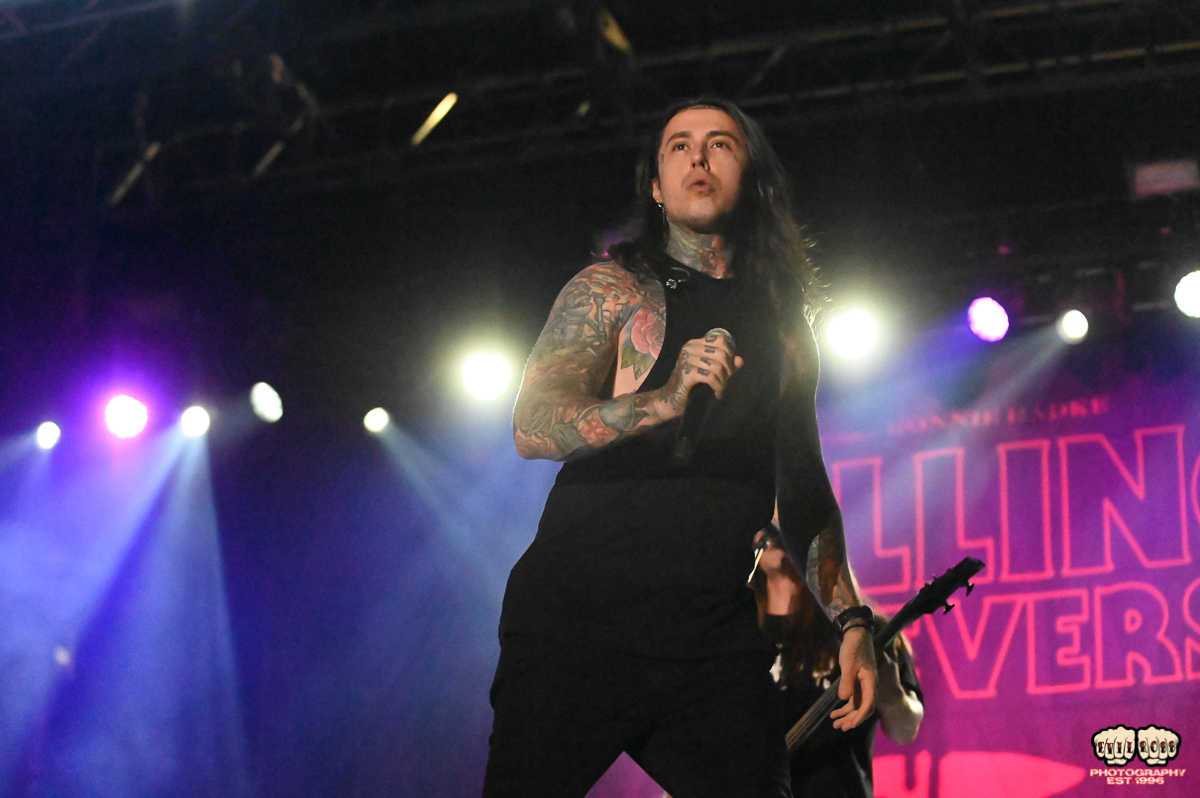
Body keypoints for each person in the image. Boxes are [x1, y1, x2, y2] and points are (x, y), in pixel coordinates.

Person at [482, 97, 877, 798]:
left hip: (710, 639)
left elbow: (803, 486)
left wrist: (850, 619)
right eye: (679, 145)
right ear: (657, 187)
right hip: (575, 627)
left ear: (751, 177)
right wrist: (665, 400)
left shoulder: (786, 323)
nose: (698, 156)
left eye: (720, 143)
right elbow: (532, 424)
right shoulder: (612, 288)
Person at [750, 523, 924, 797]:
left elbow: (905, 731)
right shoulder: (731, 634)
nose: (772, 529)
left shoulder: (864, 635)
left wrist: (892, 695)